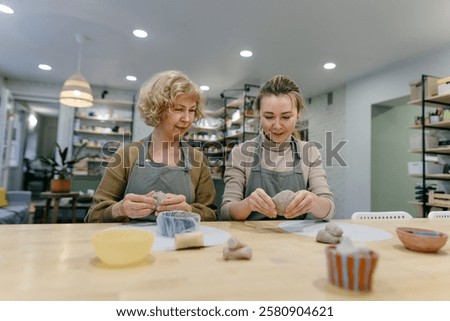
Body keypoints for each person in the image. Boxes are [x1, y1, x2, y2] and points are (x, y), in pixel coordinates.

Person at [85, 70, 217, 222]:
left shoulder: (198, 160)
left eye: (192, 110)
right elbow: (93, 215)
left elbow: (212, 215)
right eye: (178, 109)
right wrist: (120, 209)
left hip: (181, 242)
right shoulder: (126, 155)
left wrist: (189, 210)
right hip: (134, 243)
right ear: (158, 110)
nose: (187, 119)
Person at [220, 75, 335, 221]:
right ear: (258, 114)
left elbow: (329, 209)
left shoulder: (310, 152)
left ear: (298, 114)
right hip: (251, 239)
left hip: (295, 240)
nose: (277, 125)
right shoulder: (240, 153)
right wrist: (247, 204)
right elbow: (225, 211)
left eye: (286, 117)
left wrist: (314, 201)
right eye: (269, 117)